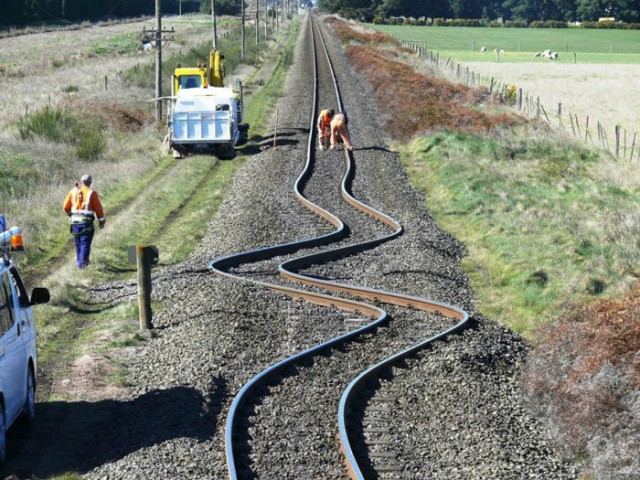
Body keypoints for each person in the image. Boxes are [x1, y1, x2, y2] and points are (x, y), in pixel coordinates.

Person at [63, 174, 105, 269]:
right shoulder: (92, 193)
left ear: (82, 181)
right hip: (86, 223)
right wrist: (102, 222)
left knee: (78, 244)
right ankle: (82, 266)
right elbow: (99, 210)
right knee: (85, 244)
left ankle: (81, 263)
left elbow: (65, 207)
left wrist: (71, 215)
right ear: (90, 182)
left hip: (74, 223)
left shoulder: (73, 191)